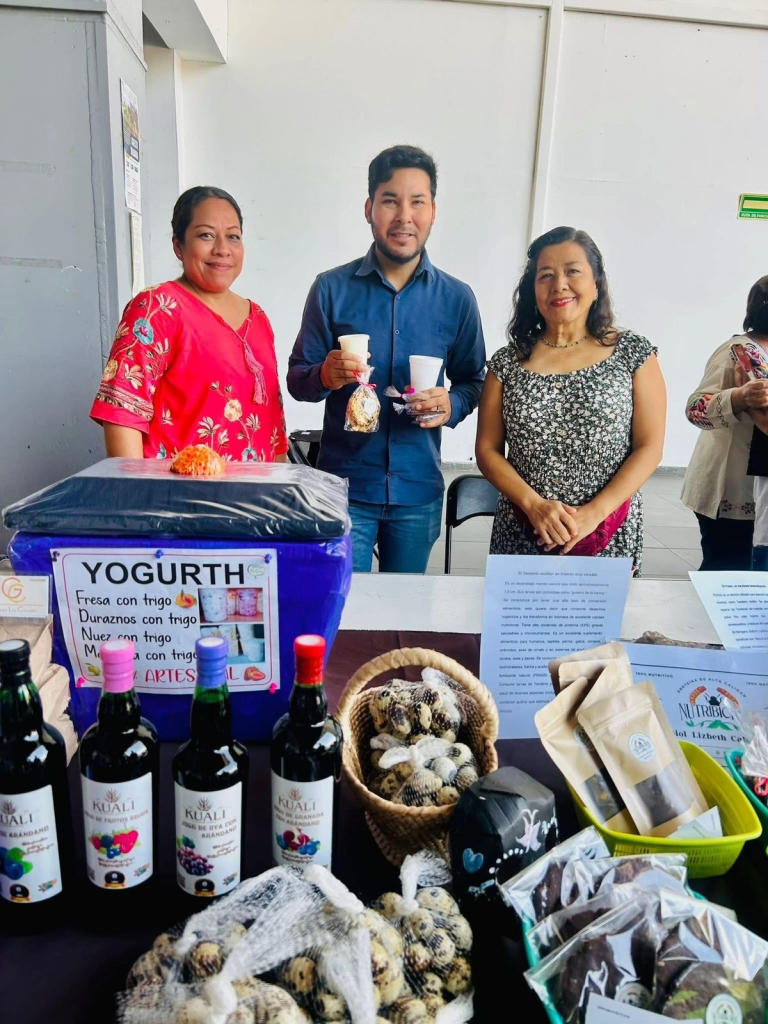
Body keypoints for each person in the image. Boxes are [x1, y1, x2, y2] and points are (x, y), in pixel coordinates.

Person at [287, 145, 486, 573]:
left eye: (417, 202)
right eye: (390, 201)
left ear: (433, 211)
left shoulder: (456, 299)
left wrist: (452, 404)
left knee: (408, 604)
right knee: (347, 604)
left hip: (417, 490)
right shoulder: (331, 289)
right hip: (344, 489)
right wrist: (325, 375)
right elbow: (298, 380)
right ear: (369, 209)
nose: (404, 216)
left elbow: (475, 380)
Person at [475, 225, 665, 575]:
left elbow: (649, 447)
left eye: (572, 271)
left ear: (596, 284)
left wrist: (594, 513)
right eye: (546, 275)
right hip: (523, 527)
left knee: (601, 613)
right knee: (520, 611)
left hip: (608, 531)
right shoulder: (507, 362)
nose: (559, 285)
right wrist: (534, 505)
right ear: (532, 290)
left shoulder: (632, 354)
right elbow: (487, 449)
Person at [91, 186, 289, 463]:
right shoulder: (158, 308)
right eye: (206, 235)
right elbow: (122, 413)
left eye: (233, 236)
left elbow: (273, 427)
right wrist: (135, 487)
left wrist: (280, 484)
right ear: (178, 245)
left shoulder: (257, 318)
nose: (222, 249)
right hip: (178, 487)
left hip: (255, 489)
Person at [681, 276, 768, 570]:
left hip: (760, 491)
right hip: (733, 493)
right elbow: (695, 408)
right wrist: (738, 397)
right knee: (727, 575)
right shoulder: (740, 352)